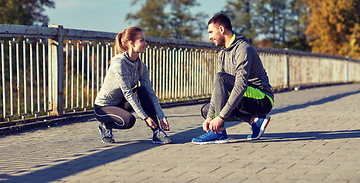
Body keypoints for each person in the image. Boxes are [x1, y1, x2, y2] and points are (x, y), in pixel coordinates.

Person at [192, 13, 274, 144]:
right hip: (245, 97)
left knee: (221, 79)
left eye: (211, 32)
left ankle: (218, 132)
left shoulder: (243, 49)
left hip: (262, 98)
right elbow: (218, 89)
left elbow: (240, 86)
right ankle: (254, 121)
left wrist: (220, 117)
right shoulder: (222, 54)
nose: (209, 37)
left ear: (221, 29)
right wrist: (209, 117)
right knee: (207, 110)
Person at [94, 26, 173, 144]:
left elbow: (150, 92)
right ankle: (105, 125)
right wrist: (145, 118)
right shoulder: (118, 63)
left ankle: (157, 132)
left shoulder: (141, 66)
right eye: (142, 40)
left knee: (143, 91)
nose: (146, 43)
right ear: (132, 43)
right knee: (129, 121)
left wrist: (161, 116)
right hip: (103, 108)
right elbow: (128, 93)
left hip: (120, 104)